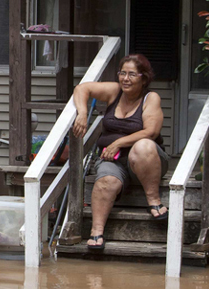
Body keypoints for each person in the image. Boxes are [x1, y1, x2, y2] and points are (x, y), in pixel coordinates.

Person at [71, 53, 168, 252]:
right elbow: (82, 88)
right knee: (106, 180)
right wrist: (82, 113)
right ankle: (96, 231)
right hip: (112, 160)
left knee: (143, 145)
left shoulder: (151, 98)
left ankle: (154, 200)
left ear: (143, 77)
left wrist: (119, 143)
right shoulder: (115, 92)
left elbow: (151, 132)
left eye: (132, 74)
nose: (125, 78)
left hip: (147, 160)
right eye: (122, 73)